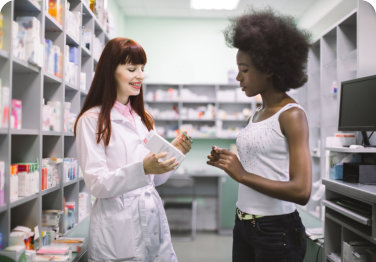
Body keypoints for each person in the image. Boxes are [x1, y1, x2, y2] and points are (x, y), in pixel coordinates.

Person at [207, 9, 312, 262]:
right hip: (244, 223)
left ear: (268, 69)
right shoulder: (256, 113)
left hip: (276, 231)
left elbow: (302, 190)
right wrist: (228, 161)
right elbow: (261, 163)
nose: (238, 77)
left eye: (244, 70)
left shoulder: (292, 115)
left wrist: (241, 174)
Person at [74, 37, 192, 262]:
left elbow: (155, 180)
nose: (140, 75)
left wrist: (175, 153)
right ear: (110, 72)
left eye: (142, 68)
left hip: (150, 217)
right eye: (131, 68)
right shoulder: (91, 120)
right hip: (117, 227)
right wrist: (143, 168)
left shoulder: (143, 119)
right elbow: (97, 184)